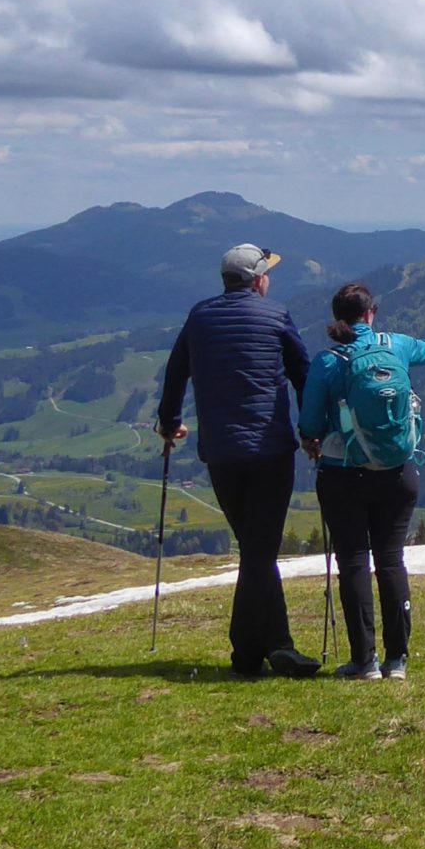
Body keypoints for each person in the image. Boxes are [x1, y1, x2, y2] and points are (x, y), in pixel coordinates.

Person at [299, 280, 425, 681]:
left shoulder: (329, 363)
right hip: (398, 474)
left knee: (352, 561)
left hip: (344, 475)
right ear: (371, 313)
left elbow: (310, 423)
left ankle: (363, 661)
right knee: (390, 560)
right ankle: (397, 659)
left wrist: (313, 441)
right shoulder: (396, 345)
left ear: (338, 320)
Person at [158, 242, 319, 680]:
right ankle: (249, 656)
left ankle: (275, 646)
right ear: (258, 280)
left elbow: (175, 373)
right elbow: (304, 375)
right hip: (270, 451)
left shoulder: (200, 317)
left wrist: (169, 423)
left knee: (255, 549)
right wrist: (311, 431)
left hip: (222, 453)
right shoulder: (277, 315)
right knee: (259, 550)